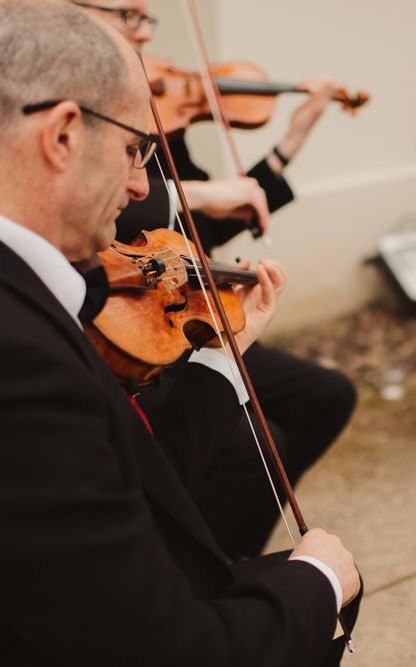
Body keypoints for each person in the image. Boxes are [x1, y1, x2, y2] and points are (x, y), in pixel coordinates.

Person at [0, 2, 360, 664]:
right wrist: (319, 581)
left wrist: (224, 357)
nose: (143, 185)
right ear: (61, 137)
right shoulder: (23, 363)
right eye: (137, 149)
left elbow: (114, 474)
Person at [72, 0, 358, 557]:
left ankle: (228, 555)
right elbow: (131, 203)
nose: (147, 34)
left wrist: (292, 139)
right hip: (118, 314)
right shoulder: (60, 102)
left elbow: (199, 229)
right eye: (130, 16)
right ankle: (203, 563)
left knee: (327, 395)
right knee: (257, 442)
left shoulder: (151, 106)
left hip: (164, 304)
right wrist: (190, 193)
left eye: (148, 18)